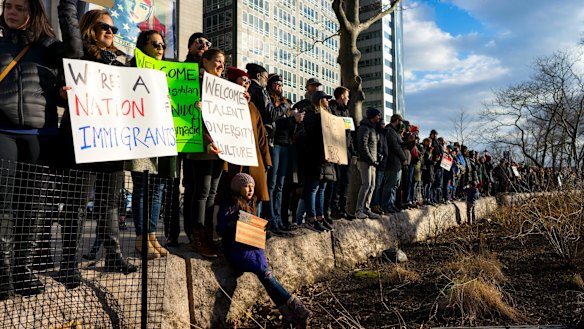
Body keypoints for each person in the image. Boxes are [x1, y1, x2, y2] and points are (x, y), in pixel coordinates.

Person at [0, 0, 83, 298]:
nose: (12, 12)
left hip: (41, 135)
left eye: (20, 8)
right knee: (3, 205)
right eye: (9, 6)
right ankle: (3, 273)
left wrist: (67, 6)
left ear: (33, 13)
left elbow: (76, 51)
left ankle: (22, 272)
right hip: (3, 134)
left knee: (31, 208)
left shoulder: (48, 47)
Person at [59, 8, 137, 275]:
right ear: (90, 27)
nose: (110, 32)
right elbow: (61, 90)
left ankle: (113, 255)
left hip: (112, 140)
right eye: (104, 27)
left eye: (113, 29)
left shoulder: (120, 63)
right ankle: (69, 262)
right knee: (77, 201)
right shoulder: (77, 55)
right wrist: (63, 93)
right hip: (83, 139)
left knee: (110, 201)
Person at [216, 173, 312, 327]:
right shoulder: (230, 203)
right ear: (237, 187)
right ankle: (296, 306)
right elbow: (221, 228)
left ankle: (288, 314)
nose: (250, 189)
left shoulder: (252, 203)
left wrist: (262, 230)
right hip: (236, 248)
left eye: (252, 187)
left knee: (266, 275)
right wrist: (236, 224)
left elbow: (253, 225)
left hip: (252, 245)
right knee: (264, 273)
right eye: (246, 186)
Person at [126, 30, 173, 259]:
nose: (160, 49)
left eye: (163, 45)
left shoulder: (171, 74)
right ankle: (140, 238)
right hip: (142, 136)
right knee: (143, 188)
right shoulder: (131, 68)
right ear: (142, 46)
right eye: (155, 44)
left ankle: (152, 235)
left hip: (164, 137)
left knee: (158, 190)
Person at [168, 32, 212, 247]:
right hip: (178, 134)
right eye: (199, 42)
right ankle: (172, 232)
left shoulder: (211, 75)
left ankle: (192, 231)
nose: (204, 45)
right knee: (172, 185)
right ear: (189, 46)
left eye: (207, 43)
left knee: (193, 187)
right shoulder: (181, 70)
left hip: (197, 137)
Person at [184, 48, 225, 258]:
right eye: (218, 61)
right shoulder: (196, 83)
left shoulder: (223, 88)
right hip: (202, 144)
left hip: (220, 147)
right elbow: (189, 113)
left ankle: (207, 235)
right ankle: (197, 235)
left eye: (223, 62)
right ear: (205, 61)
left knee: (212, 192)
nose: (221, 65)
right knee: (202, 190)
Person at [222, 66, 272, 221]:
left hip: (253, 160)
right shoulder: (224, 103)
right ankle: (233, 232)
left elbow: (261, 136)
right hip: (233, 160)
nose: (247, 83)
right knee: (234, 197)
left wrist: (266, 160)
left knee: (253, 195)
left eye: (248, 81)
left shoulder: (252, 107)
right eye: (243, 79)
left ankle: (252, 232)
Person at [299, 91, 336, 232]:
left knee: (322, 188)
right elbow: (311, 137)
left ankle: (320, 217)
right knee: (313, 188)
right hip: (315, 158)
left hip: (325, 159)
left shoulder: (327, 116)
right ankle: (311, 218)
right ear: (320, 101)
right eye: (326, 99)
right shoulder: (311, 116)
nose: (328, 101)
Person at [355, 108, 382, 220]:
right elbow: (363, 146)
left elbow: (372, 145)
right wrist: (371, 159)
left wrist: (377, 156)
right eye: (378, 115)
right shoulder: (364, 128)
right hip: (365, 161)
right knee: (366, 185)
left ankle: (366, 209)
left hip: (372, 162)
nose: (379, 117)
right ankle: (359, 210)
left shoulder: (373, 129)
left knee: (372, 186)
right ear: (373, 116)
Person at [381, 114, 407, 214]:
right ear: (396, 121)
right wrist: (404, 158)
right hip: (392, 162)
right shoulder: (389, 131)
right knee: (390, 184)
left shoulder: (395, 132)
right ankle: (386, 205)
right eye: (400, 121)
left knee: (395, 185)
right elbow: (395, 147)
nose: (402, 124)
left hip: (397, 163)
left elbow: (401, 145)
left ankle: (391, 204)